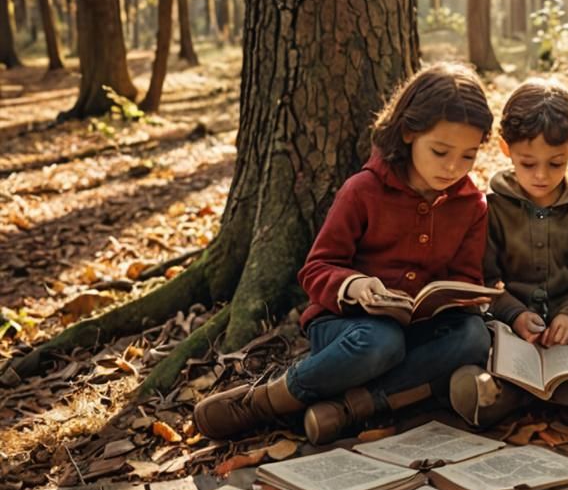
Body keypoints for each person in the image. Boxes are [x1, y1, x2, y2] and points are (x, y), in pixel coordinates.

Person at [193, 63, 495, 445]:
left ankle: (353, 407)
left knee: (472, 338)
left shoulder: (471, 204)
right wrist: (354, 285)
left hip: (417, 331)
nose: (453, 167)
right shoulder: (363, 191)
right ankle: (270, 400)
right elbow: (316, 268)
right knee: (381, 343)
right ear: (407, 133)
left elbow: (466, 279)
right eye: (440, 151)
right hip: (348, 327)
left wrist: (457, 299)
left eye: (468, 157)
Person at [450, 78, 568, 426]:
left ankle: (525, 399)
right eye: (527, 163)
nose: (541, 175)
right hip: (506, 329)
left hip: (565, 337)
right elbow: (487, 280)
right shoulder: (489, 207)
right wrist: (515, 315)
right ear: (506, 150)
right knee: (490, 358)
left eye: (555, 163)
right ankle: (511, 394)